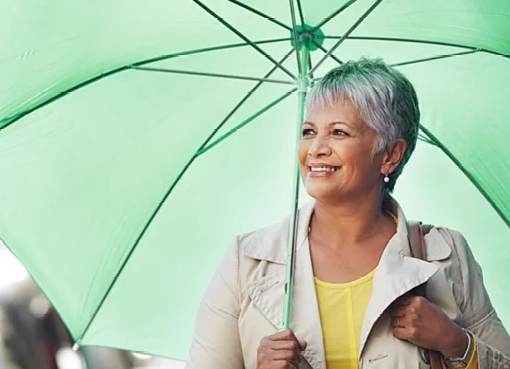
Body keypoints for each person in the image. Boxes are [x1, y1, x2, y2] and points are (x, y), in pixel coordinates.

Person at [185, 58, 510, 369]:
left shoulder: (445, 254)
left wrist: (456, 343)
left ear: (391, 155)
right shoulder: (248, 261)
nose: (315, 149)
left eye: (338, 132)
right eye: (309, 131)